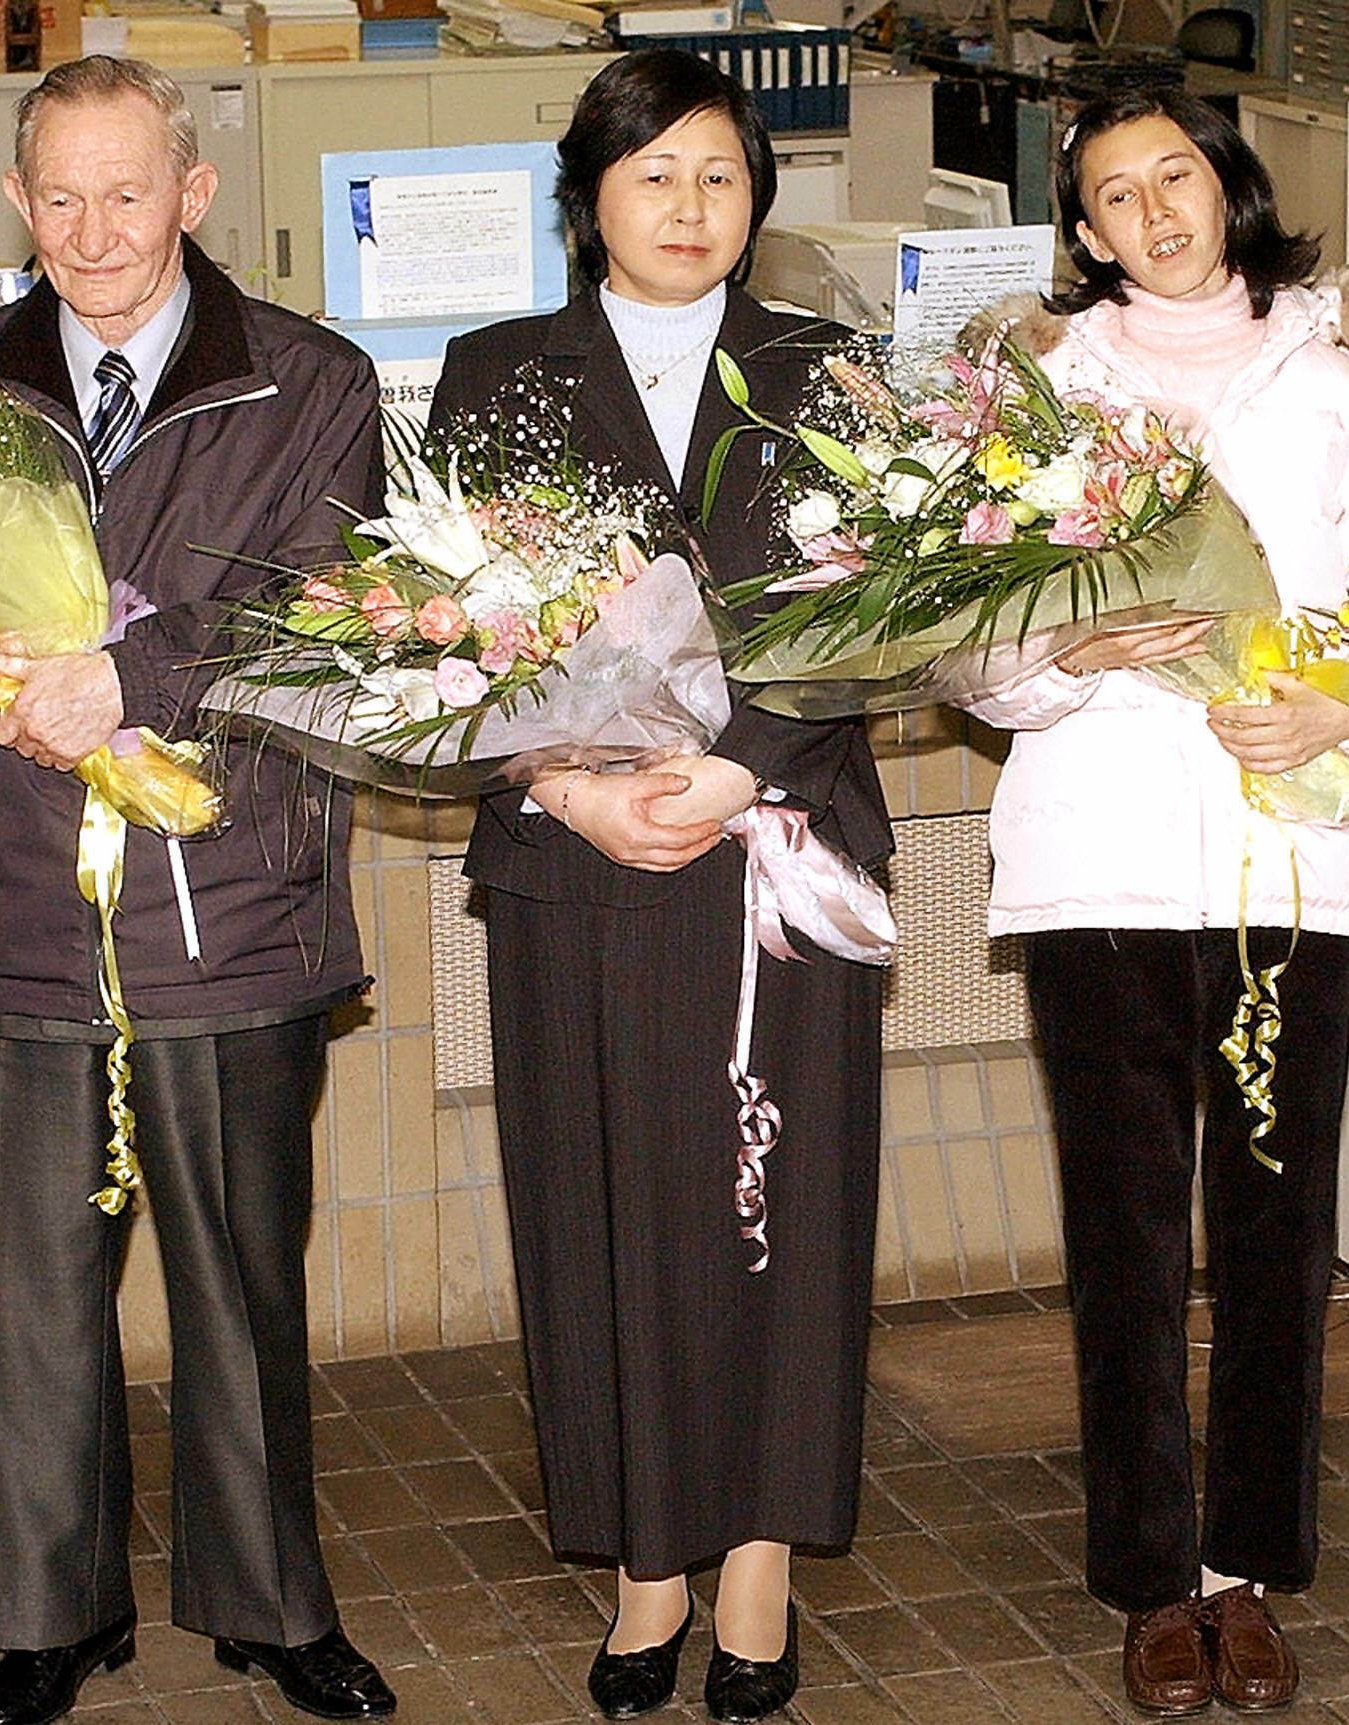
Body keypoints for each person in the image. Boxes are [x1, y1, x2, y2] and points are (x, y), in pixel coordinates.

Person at [0, 56, 393, 1725]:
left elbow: (323, 623)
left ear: (194, 194)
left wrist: (132, 685)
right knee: (43, 1295)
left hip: (233, 899)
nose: (90, 230)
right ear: (16, 201)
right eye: (56, 196)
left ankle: (274, 1607)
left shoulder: (309, 382)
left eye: (124, 191)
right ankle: (51, 1615)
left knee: (242, 1282)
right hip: (21, 904)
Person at [960, 88, 1349, 1715]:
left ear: (1228, 189)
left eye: (1177, 174)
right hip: (1100, 850)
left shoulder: (1348, 386)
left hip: (1292, 852)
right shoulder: (1038, 389)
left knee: (1271, 1226)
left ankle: (1249, 1572)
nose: (1155, 210)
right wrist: (1060, 651)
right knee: (1121, 1232)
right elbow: (959, 640)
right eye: (1116, 193)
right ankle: (1150, 1578)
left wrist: (1343, 706)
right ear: (1084, 233)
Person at [422, 49, 892, 1725]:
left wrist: (740, 764)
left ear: (757, 197)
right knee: (600, 1204)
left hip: (780, 852)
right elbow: (441, 625)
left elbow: (877, 603)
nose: (690, 208)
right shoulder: (496, 372)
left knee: (790, 1214)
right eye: (653, 177)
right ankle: (644, 1570)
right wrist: (566, 783)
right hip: (580, 861)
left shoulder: (829, 367)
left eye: (719, 176)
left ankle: (757, 1565)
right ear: (586, 200)